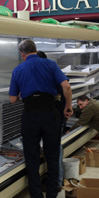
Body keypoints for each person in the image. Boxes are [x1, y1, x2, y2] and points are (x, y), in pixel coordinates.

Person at [9, 40, 73, 198]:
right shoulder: (50, 64)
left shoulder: (18, 70)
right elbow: (66, 86)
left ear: (22, 54)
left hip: (30, 115)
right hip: (50, 114)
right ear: (36, 50)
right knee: (52, 156)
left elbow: (13, 99)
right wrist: (68, 106)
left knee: (32, 158)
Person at [37, 50, 66, 188]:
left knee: (55, 151)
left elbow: (64, 91)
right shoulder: (52, 73)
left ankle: (57, 182)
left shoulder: (48, 76)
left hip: (54, 117)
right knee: (55, 150)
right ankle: (55, 180)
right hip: (54, 117)